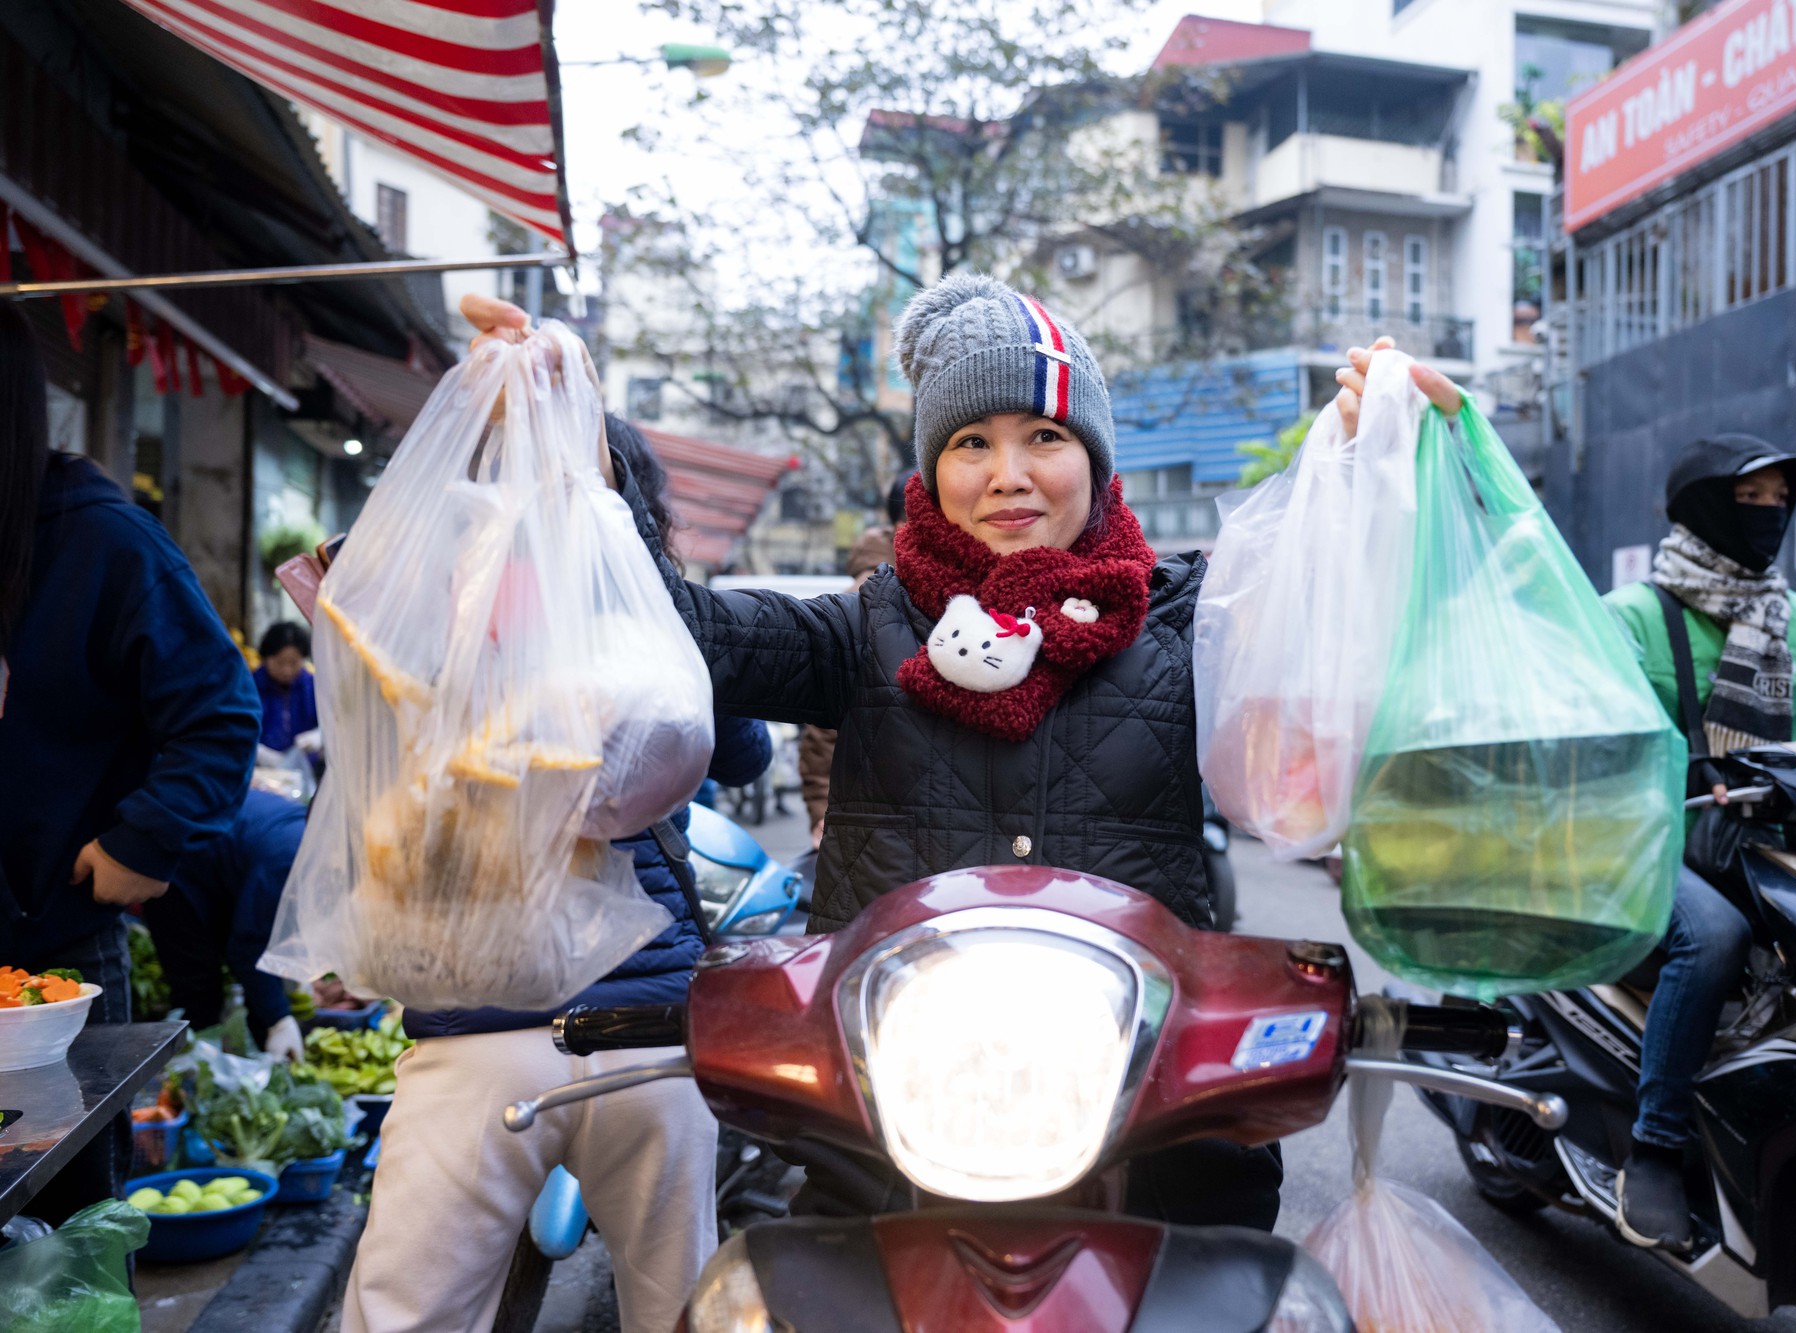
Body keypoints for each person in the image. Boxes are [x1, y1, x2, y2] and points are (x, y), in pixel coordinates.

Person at [462, 279, 1463, 1230]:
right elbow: (679, 629)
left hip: (1143, 1113)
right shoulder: (864, 629)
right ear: (933, 469)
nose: (1007, 475)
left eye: (1045, 436)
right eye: (972, 441)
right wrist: (577, 466)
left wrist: (1371, 466)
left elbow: (1328, 615)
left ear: (1094, 455)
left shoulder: (1186, 622)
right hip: (888, 1113)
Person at [341, 417, 774, 1333]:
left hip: (475, 1037)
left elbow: (363, 816)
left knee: (406, 1315)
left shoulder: (418, 623)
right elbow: (736, 750)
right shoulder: (645, 624)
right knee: (679, 1307)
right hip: (652, 1037)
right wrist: (652, 589)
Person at [1600, 434, 1796, 1249]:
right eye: (1750, 499)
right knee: (1712, 938)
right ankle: (1656, 1146)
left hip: (1762, 839)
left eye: (1780, 498)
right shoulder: (1634, 616)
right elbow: (1604, 744)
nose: (1771, 513)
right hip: (1651, 839)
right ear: (1703, 506)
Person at [0, 302, 260, 1223]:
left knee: (65, 1225)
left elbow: (223, 716)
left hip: (51, 960)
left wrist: (140, 840)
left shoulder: (102, 540)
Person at [146, 789, 308, 1061]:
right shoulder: (288, 861)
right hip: (179, 865)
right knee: (198, 990)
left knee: (261, 995)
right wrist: (279, 1018)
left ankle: (259, 1061)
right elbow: (248, 946)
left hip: (226, 855)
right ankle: (193, 1076)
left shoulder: (316, 853)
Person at [797, 468, 912, 845]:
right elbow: (824, 725)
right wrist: (821, 812)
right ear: (900, 523)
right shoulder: (871, 597)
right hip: (877, 816)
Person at [251, 620, 318, 755]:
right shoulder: (250, 687)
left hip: (305, 768)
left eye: (294, 663)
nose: (286, 670)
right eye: (279, 662)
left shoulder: (313, 688)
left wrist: (318, 736)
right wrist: (258, 752)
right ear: (266, 657)